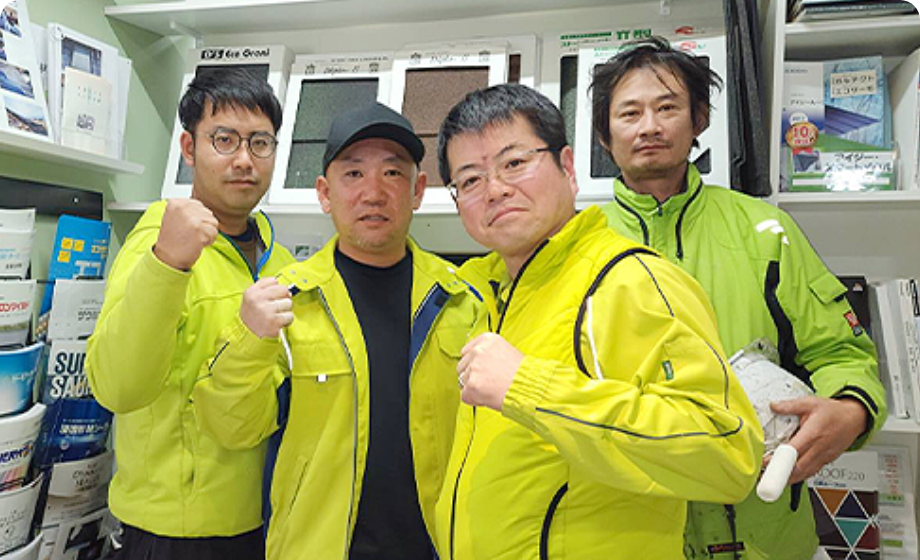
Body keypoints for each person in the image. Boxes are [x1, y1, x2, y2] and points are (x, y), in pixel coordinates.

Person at [433, 83, 763, 559]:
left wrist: (529, 386)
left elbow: (727, 456)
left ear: (567, 167)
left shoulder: (630, 280)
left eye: (515, 162)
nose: (495, 189)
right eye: (469, 180)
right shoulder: (485, 295)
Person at [591, 36, 886, 559]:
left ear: (699, 120)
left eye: (668, 108)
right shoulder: (577, 244)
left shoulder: (765, 230)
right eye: (630, 113)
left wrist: (849, 410)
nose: (650, 126)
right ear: (604, 134)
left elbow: (842, 354)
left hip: (765, 533)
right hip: (629, 534)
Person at [192, 102, 481, 560]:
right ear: (325, 193)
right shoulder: (285, 301)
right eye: (353, 174)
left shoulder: (462, 299)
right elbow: (232, 428)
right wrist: (249, 338)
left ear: (418, 191)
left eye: (392, 173)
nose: (374, 192)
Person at [86, 68, 294, 560]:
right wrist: (167, 262)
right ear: (188, 147)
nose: (244, 159)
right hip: (170, 536)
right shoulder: (156, 242)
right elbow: (116, 387)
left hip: (262, 521)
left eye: (260, 143)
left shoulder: (280, 261)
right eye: (224, 139)